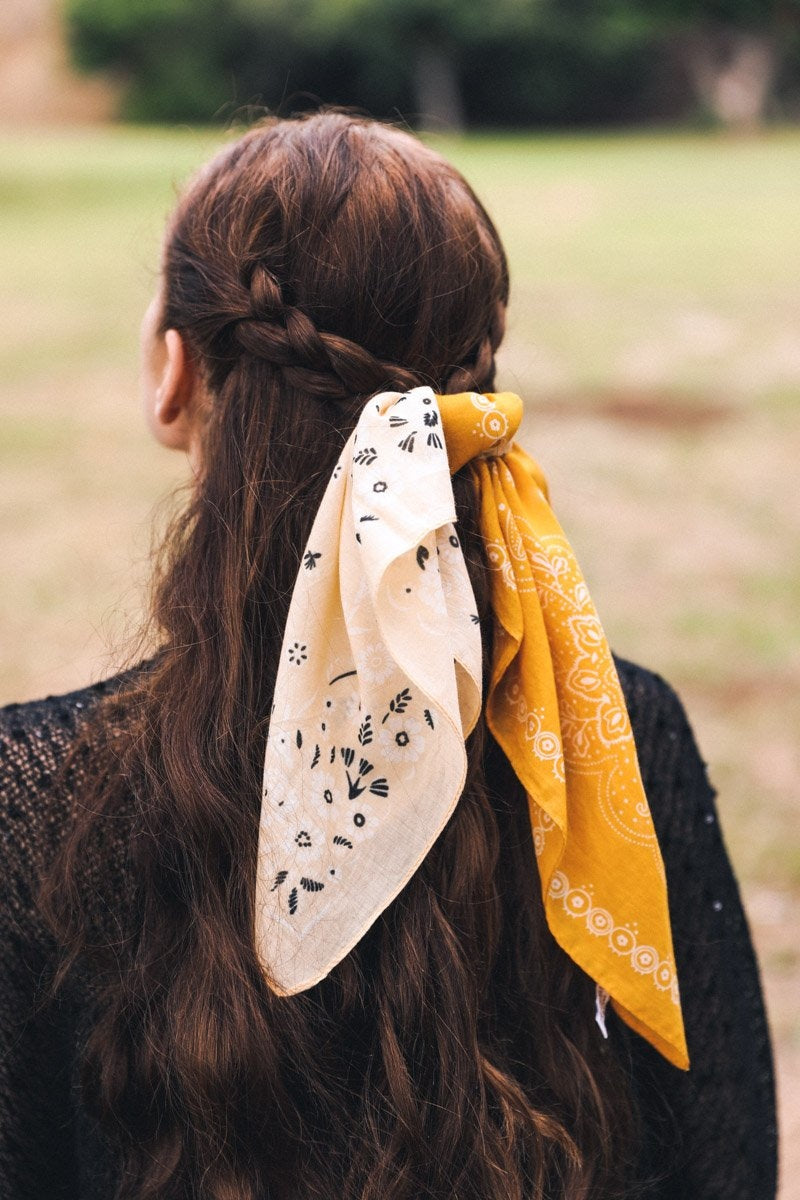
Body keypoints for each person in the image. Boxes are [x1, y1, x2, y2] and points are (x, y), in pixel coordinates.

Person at [0, 112, 777, 1200]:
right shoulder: (618, 741)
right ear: (474, 390)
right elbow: (723, 1159)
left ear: (172, 376)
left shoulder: (38, 799)